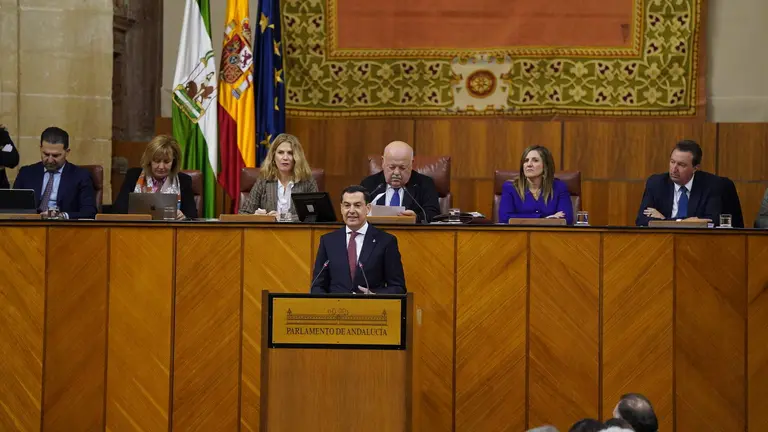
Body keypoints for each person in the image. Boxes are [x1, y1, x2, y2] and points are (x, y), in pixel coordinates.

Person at [310, 185, 406, 294]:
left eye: (357, 205)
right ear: (341, 208)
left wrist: (375, 296)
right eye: (347, 205)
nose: (351, 211)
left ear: (368, 208)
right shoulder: (328, 241)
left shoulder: (385, 241)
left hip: (370, 308)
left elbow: (398, 287)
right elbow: (317, 285)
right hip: (335, 308)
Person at [13, 126, 96, 219]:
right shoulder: (26, 173)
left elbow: (89, 212)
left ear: (67, 152)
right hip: (29, 227)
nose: (50, 160)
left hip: (64, 228)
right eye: (46, 154)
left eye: (56, 155)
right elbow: (12, 207)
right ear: (40, 149)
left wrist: (62, 216)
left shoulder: (80, 176)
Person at [636, 140, 722, 226]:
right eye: (672, 162)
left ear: (695, 168)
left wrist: (663, 220)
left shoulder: (711, 185)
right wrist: (684, 222)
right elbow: (642, 221)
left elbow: (711, 221)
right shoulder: (656, 184)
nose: (674, 169)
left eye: (681, 165)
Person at [112, 135, 197, 219]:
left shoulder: (184, 181)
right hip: (139, 230)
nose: (161, 166)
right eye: (157, 161)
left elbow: (193, 215)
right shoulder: (133, 176)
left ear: (173, 161)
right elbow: (118, 210)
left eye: (166, 162)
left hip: (171, 231)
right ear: (149, 160)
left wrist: (184, 216)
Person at [239, 133, 318, 219]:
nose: (285, 157)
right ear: (273, 156)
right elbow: (243, 213)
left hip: (297, 232)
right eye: (280, 152)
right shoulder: (264, 181)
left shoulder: (307, 182)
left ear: (297, 157)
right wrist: (257, 217)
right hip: (268, 231)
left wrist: (284, 217)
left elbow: (315, 215)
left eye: (290, 153)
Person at [360, 140, 440, 223]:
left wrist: (416, 218)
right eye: (392, 167)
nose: (396, 172)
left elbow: (434, 214)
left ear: (411, 164)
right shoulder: (369, 184)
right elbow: (358, 210)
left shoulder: (424, 184)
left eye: (402, 168)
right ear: (383, 162)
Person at [498, 145, 574, 224]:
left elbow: (566, 219)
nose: (529, 164)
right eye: (526, 160)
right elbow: (505, 218)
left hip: (550, 235)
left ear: (546, 166)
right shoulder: (510, 187)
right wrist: (543, 219)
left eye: (535, 160)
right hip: (518, 235)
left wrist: (523, 219)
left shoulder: (559, 187)